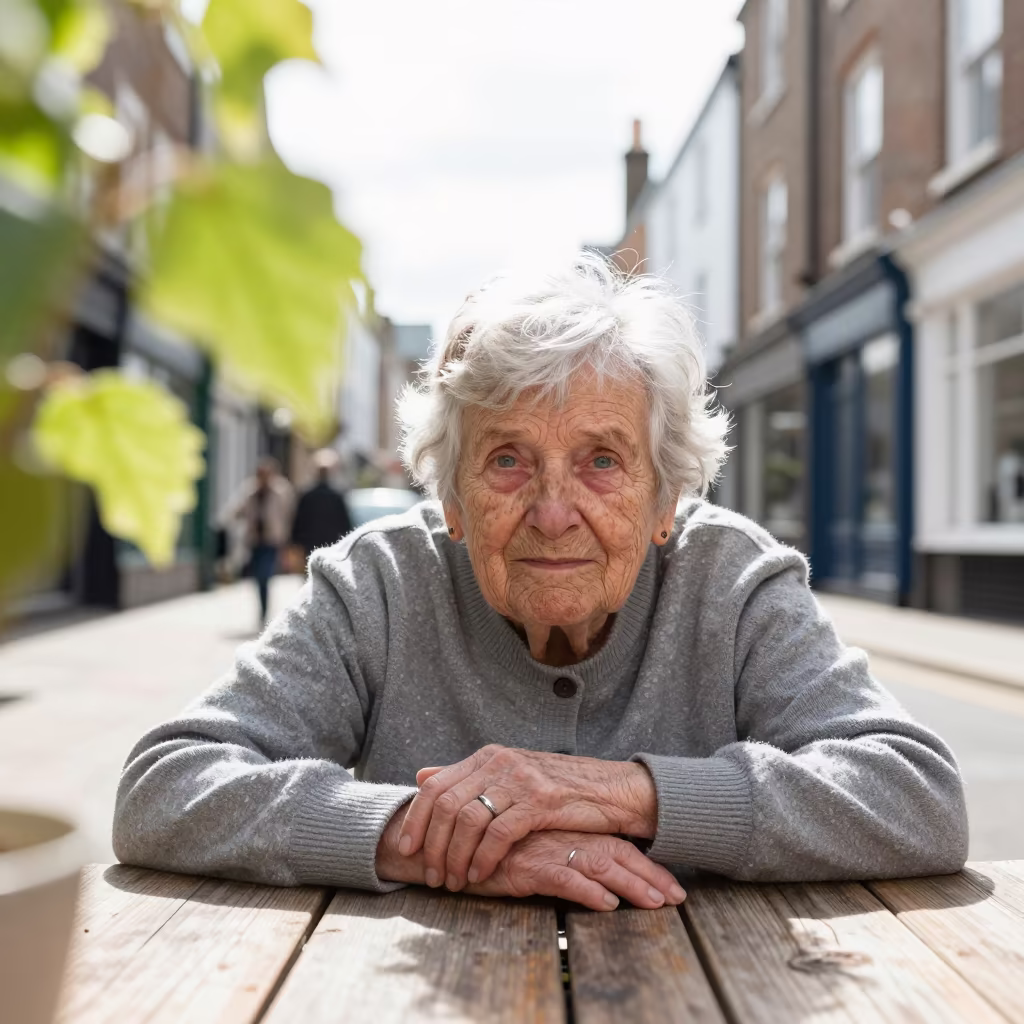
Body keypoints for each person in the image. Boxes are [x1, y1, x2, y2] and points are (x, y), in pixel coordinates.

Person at [114, 255, 967, 912]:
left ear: (665, 496)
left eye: (602, 460)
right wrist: (433, 839)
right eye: (508, 460)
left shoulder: (733, 581)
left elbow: (918, 796)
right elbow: (165, 786)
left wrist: (619, 793)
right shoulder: (378, 584)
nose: (553, 512)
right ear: (451, 497)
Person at [225, 457, 294, 628]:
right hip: (255, 540)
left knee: (265, 574)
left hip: (272, 540)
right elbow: (238, 509)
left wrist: (287, 537)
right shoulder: (251, 490)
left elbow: (289, 514)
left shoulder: (281, 490)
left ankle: (264, 612)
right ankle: (262, 611)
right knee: (258, 578)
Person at [290, 449, 354, 563]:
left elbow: (299, 520)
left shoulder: (309, 494)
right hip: (328, 541)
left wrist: (295, 540)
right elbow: (345, 522)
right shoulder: (335, 495)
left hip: (314, 541)